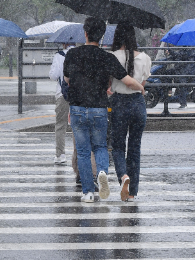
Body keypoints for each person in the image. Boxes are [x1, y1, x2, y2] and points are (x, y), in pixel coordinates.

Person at [63, 17, 144, 203]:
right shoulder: (107, 57)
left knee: (83, 152)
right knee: (100, 147)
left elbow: (67, 80)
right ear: (101, 37)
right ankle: (102, 172)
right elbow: (126, 80)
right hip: (98, 108)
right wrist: (141, 87)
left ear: (85, 33)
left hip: (77, 108)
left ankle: (88, 192)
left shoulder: (72, 54)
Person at [109, 23, 151, 202]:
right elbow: (143, 84)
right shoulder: (145, 58)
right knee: (135, 148)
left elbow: (109, 83)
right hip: (137, 103)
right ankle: (133, 192)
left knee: (117, 145)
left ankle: (123, 176)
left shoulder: (112, 57)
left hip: (119, 102)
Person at [49, 43, 72, 164]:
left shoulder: (59, 56)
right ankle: (80, 155)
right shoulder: (80, 54)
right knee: (79, 125)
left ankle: (60, 154)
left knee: (61, 124)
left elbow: (53, 76)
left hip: (62, 93)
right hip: (80, 94)